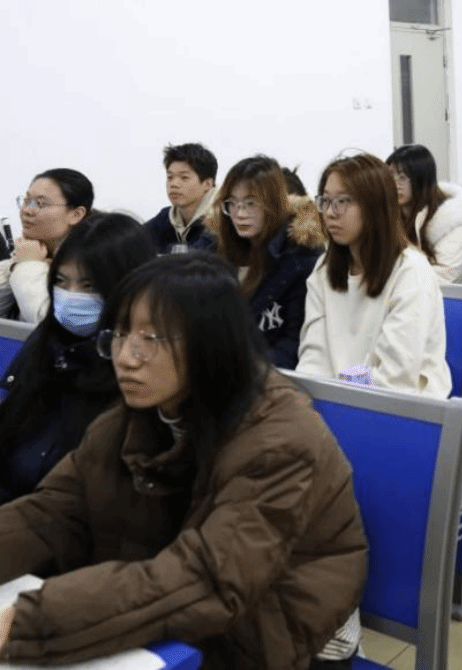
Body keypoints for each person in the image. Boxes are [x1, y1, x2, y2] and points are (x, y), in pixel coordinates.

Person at [0, 253, 367, 669]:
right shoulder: (132, 417)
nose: (125, 357)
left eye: (150, 338)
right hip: (188, 613)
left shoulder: (281, 440)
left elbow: (209, 578)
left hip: (279, 631)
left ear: (210, 344)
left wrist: (32, 621)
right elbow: (50, 514)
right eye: (119, 334)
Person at [0, 212, 157, 504]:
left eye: (89, 286)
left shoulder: (138, 376)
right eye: (61, 281)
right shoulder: (44, 342)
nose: (70, 296)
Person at [297, 152, 450, 398]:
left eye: (343, 201)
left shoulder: (411, 272)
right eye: (325, 201)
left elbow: (394, 376)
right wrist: (318, 398)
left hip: (403, 405)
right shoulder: (324, 270)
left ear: (375, 206)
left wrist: (341, 394)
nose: (330, 213)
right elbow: (313, 359)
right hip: (338, 401)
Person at [207, 155, 325, 369]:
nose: (240, 213)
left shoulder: (300, 260)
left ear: (272, 204)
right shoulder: (217, 252)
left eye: (250, 203)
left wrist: (238, 369)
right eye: (232, 203)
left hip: (267, 377)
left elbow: (293, 346)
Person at [0, 169, 94, 323]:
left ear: (76, 215)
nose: (26, 211)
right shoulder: (30, 249)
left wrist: (28, 265)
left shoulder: (91, 259)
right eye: (26, 201)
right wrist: (15, 266)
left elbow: (54, 325)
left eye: (40, 204)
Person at [385, 144, 462, 283]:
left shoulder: (449, 225)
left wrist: (390, 280)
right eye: (389, 176)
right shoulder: (392, 216)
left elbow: (444, 277)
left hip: (444, 295)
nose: (394, 184)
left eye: (402, 177)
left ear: (421, 180)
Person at [145, 143, 218, 253]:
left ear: (207, 184)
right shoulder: (167, 217)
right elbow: (131, 240)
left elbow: (194, 255)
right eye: (170, 177)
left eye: (184, 177)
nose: (173, 184)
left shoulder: (222, 218)